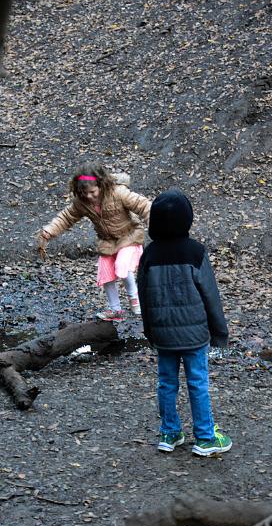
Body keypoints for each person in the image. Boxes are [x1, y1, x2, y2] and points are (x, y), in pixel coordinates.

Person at [137, 188, 232, 456]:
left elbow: (143, 297)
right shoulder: (196, 252)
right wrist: (219, 332)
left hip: (163, 335)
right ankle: (205, 437)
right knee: (197, 383)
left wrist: (150, 332)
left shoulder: (149, 255)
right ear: (186, 219)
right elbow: (210, 295)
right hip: (195, 335)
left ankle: (169, 433)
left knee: (166, 383)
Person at [38, 162, 151, 321]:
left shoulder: (118, 193)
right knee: (105, 274)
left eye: (92, 192)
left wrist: (156, 224)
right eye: (85, 193)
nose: (89, 196)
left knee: (122, 265)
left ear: (101, 185)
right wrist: (50, 230)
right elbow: (66, 217)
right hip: (108, 241)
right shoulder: (82, 202)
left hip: (129, 236)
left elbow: (143, 206)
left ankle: (135, 299)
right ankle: (116, 310)